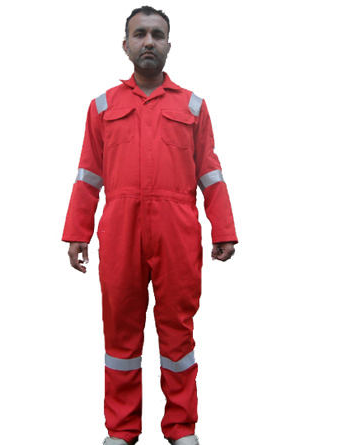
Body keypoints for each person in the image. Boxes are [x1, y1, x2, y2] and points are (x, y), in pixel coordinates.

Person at [62, 6, 238, 445]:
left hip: (176, 230)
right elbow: (88, 174)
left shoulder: (192, 106)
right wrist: (78, 232)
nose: (148, 42)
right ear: (125, 45)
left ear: (168, 46)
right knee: (120, 329)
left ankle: (181, 427)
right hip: (121, 229)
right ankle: (121, 429)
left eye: (157, 35)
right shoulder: (103, 106)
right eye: (139, 34)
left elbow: (210, 172)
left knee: (178, 329)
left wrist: (224, 228)